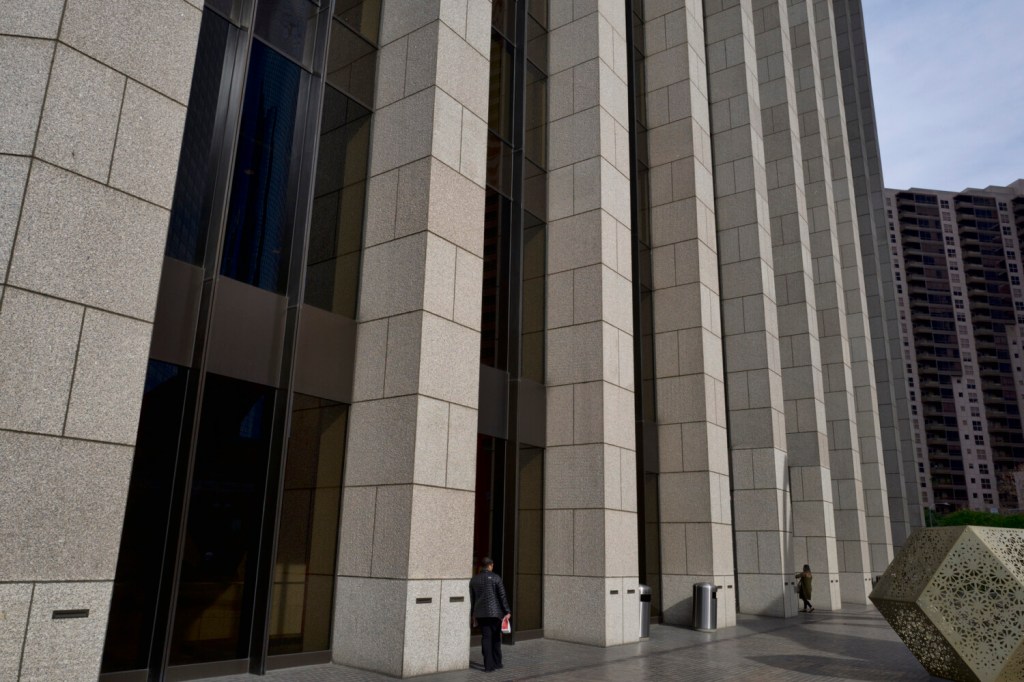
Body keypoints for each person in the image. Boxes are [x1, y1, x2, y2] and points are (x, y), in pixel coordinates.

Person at [469, 557, 511, 673]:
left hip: (481, 614)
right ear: (490, 565)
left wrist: (473, 614)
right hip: (495, 613)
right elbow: (502, 596)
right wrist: (507, 611)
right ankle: (497, 663)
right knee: (496, 638)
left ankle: (488, 666)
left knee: (486, 638)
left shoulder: (474, 580)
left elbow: (472, 599)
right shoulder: (496, 578)